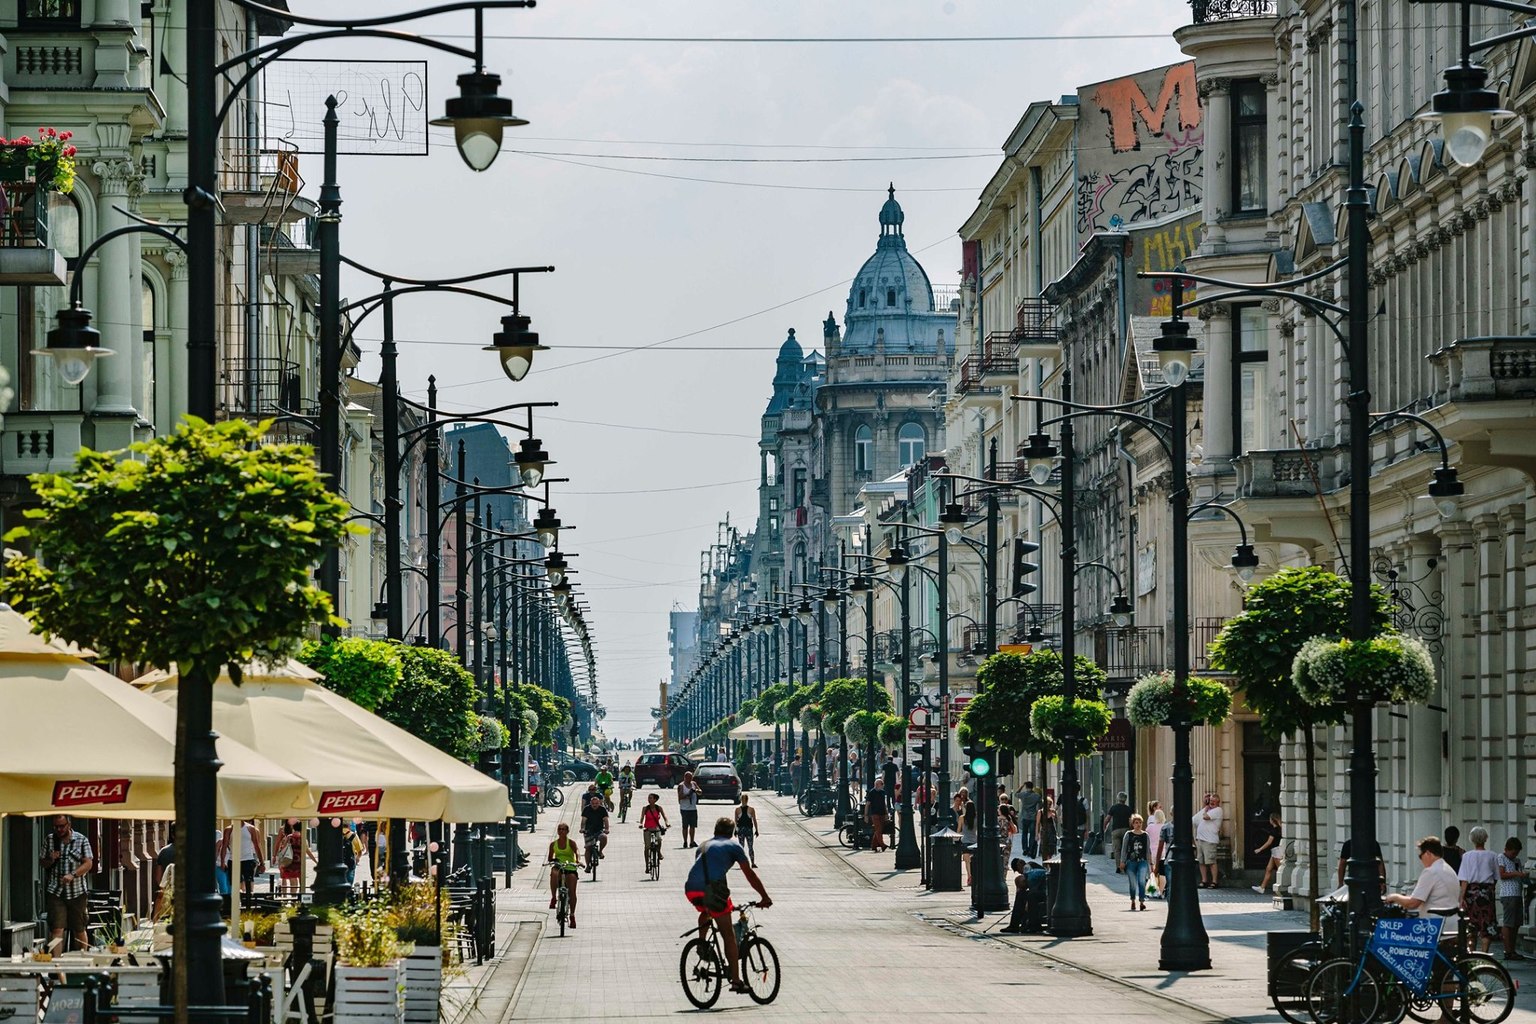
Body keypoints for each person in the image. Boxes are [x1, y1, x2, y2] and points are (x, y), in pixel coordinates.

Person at [685, 817, 772, 995]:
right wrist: (764, 896)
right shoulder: (734, 846)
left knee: (708, 910)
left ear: (715, 830)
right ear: (733, 833)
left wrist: (726, 904)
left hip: (691, 889)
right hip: (712, 889)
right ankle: (737, 981)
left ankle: (702, 943)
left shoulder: (702, 845)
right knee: (728, 936)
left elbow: (712, 873)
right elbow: (749, 874)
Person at [41, 815, 93, 953]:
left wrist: (73, 874)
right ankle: (57, 967)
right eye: (56, 826)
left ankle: (81, 962)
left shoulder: (81, 840)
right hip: (55, 890)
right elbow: (43, 863)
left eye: (62, 826)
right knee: (57, 928)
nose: (59, 829)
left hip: (77, 891)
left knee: (79, 928)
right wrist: (50, 859)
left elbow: (88, 863)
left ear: (69, 824)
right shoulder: (50, 839)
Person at [1386, 835, 1461, 929]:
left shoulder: (1430, 872)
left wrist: (1394, 897)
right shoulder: (1449, 870)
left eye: (1420, 856)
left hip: (1434, 927)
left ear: (1428, 853)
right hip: (1453, 925)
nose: (1420, 859)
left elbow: (1412, 904)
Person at [1457, 825, 1498, 954]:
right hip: (1486, 893)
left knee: (1471, 926)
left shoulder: (1467, 856)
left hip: (1471, 894)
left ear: (1472, 839)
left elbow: (1464, 879)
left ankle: (1472, 953)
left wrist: (1461, 898)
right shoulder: (1492, 855)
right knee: (1487, 925)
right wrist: (1490, 889)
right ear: (1485, 839)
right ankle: (1485, 953)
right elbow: (1496, 877)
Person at [1494, 838, 1527, 961]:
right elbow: (1502, 874)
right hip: (1508, 894)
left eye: (1516, 853)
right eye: (1513, 853)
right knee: (1508, 923)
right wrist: (1516, 874)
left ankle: (1513, 950)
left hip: (1518, 893)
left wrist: (1523, 876)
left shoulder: (1517, 860)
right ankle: (1508, 951)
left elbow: (1520, 873)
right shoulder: (1501, 858)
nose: (1515, 855)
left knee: (1516, 923)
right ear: (1506, 850)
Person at [546, 822, 583, 927]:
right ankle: (553, 897)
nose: (561, 831)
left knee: (572, 892)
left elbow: (577, 853)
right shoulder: (553, 844)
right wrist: (553, 860)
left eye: (563, 829)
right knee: (553, 872)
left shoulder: (571, 843)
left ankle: (572, 915)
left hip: (570, 867)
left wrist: (578, 861)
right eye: (559, 829)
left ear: (567, 831)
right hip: (559, 866)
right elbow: (550, 858)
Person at [222, 819, 266, 895]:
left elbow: (257, 846)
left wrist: (262, 863)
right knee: (235, 885)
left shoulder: (250, 828)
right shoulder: (229, 829)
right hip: (233, 860)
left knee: (249, 882)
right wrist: (223, 861)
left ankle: (248, 901)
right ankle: (238, 902)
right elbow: (224, 846)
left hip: (248, 859)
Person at [1121, 813, 1151, 911]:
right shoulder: (1128, 834)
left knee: (1141, 881)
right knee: (1132, 883)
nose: (1138, 825)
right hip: (1131, 862)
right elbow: (1124, 849)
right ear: (1133, 824)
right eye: (1136, 823)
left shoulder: (1145, 835)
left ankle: (1142, 901)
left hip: (1142, 861)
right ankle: (1133, 900)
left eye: (1140, 823)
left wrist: (1150, 863)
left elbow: (1147, 850)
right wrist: (1122, 861)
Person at [1194, 792, 1223, 888]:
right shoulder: (1207, 810)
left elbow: (1205, 817)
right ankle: (1204, 880)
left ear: (1218, 802)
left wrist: (1206, 808)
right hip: (1201, 839)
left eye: (1214, 801)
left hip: (1210, 840)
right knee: (1201, 861)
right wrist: (1204, 805)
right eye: (1210, 801)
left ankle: (1214, 881)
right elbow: (1194, 820)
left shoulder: (1218, 810)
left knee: (1211, 861)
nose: (1212, 803)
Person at [1252, 812, 1284, 895]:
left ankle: (1283, 887)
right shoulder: (1280, 829)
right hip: (1275, 851)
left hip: (1276, 851)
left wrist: (1260, 849)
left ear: (1272, 820)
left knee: (1280, 870)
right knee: (1268, 869)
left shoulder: (1274, 830)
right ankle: (1262, 887)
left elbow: (1269, 843)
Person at [1104, 792, 1133, 872]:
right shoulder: (1128, 809)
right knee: (1126, 848)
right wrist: (1131, 829)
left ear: (1118, 798)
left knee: (1117, 850)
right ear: (1125, 799)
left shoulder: (1114, 807)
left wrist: (1105, 826)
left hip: (1116, 830)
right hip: (1126, 830)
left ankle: (1118, 867)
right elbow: (1130, 821)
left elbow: (1107, 819)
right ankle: (1124, 865)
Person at [640, 792, 669, 863]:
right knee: (647, 847)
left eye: (651, 798)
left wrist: (667, 823)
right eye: (648, 798)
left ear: (655, 800)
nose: (649, 800)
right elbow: (642, 818)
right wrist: (641, 824)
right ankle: (647, 865)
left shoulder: (658, 808)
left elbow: (665, 817)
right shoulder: (645, 808)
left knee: (659, 840)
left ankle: (658, 852)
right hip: (647, 828)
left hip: (656, 828)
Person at [580, 793, 610, 860]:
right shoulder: (587, 809)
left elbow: (606, 820)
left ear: (599, 803)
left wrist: (607, 829)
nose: (595, 805)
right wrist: (582, 828)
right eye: (593, 803)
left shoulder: (602, 809)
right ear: (590, 803)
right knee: (588, 849)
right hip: (588, 831)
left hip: (599, 830)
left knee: (604, 837)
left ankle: (600, 851)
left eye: (596, 803)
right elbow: (583, 821)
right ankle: (588, 866)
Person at [1016, 782, 1042, 857]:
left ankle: (1025, 848)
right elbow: (1040, 804)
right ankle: (1030, 850)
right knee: (1032, 834)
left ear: (1026, 787)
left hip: (1024, 816)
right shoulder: (1036, 796)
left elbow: (1016, 794)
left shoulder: (1023, 794)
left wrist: (1021, 786)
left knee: (1024, 833)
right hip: (1033, 817)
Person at [734, 793, 760, 867]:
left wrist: (735, 830)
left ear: (741, 800)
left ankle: (742, 863)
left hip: (741, 830)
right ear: (747, 800)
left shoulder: (737, 810)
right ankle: (752, 863)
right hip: (749, 829)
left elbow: (735, 821)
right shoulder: (751, 809)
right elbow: (754, 820)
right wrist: (757, 830)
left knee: (741, 847)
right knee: (750, 846)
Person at [677, 771, 702, 848]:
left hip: (693, 808)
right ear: (685, 777)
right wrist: (687, 795)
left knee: (693, 826)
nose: (689, 779)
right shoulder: (681, 786)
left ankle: (692, 841)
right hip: (684, 808)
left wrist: (696, 791)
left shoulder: (694, 784)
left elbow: (700, 792)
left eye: (691, 777)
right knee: (685, 826)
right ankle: (685, 841)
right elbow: (680, 797)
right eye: (688, 778)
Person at [866, 778, 891, 853]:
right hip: (875, 814)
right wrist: (866, 815)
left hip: (882, 813)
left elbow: (884, 804)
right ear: (877, 785)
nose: (883, 785)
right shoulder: (871, 792)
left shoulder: (882, 792)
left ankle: (873, 846)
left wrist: (886, 813)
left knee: (878, 830)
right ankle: (883, 845)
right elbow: (867, 805)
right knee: (879, 830)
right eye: (882, 784)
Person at [960, 798, 978, 886]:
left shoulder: (962, 818)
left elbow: (959, 830)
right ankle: (974, 876)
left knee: (967, 862)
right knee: (974, 861)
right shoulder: (977, 817)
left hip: (965, 841)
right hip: (974, 840)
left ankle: (969, 876)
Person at [1036, 795, 1058, 861]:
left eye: (1050, 804)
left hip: (1052, 832)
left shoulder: (1053, 811)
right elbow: (1037, 823)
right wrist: (1037, 834)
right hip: (1044, 832)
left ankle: (1049, 862)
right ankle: (1045, 863)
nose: (1048, 806)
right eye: (1047, 804)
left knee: (1051, 849)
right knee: (1044, 850)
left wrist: (1054, 817)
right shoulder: (1040, 812)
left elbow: (1057, 822)